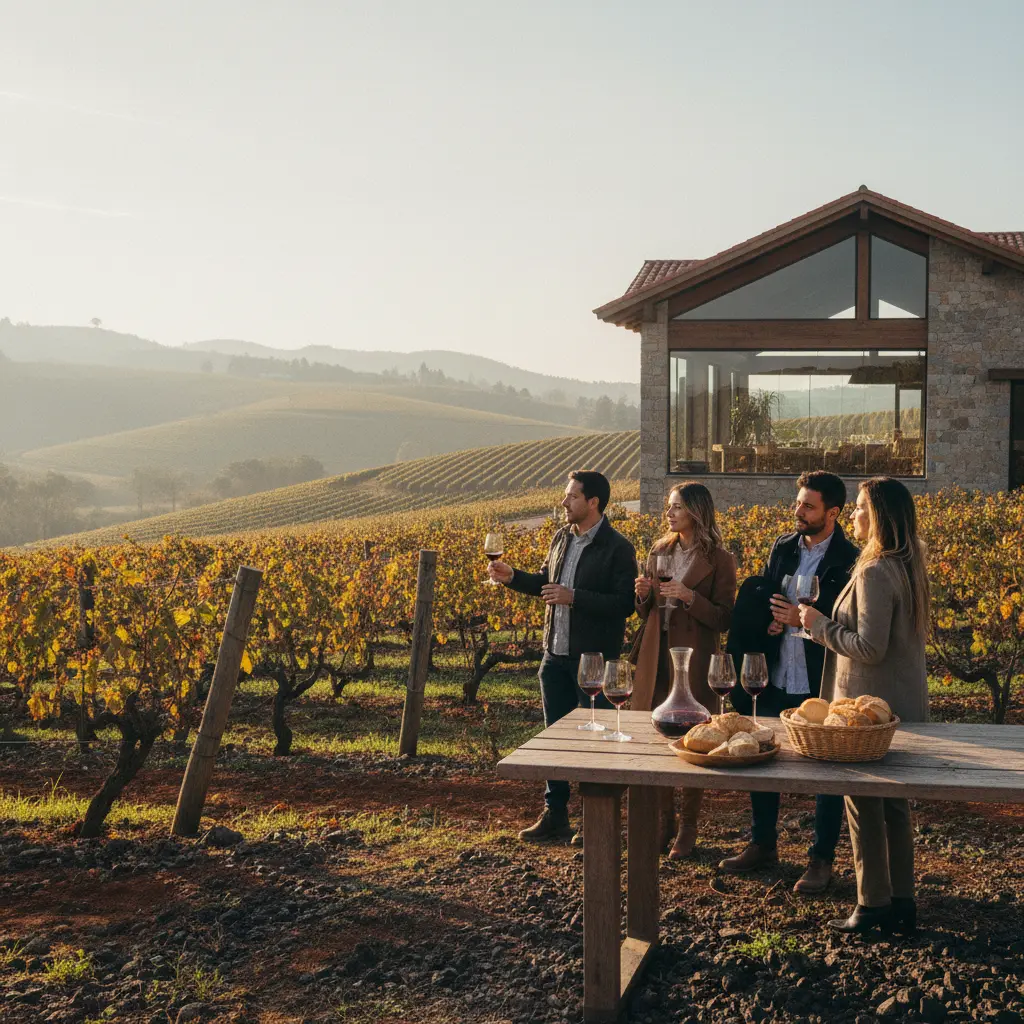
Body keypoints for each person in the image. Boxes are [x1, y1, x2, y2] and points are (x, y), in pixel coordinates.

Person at [798, 477, 929, 934]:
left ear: (878, 517)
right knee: (893, 805)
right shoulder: (907, 565)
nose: (852, 514)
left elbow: (869, 648)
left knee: (864, 803)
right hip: (899, 704)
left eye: (858, 508)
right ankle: (901, 901)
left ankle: (872, 904)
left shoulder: (875, 571)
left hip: (868, 710)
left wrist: (819, 625)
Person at [720, 470, 859, 894]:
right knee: (764, 753)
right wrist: (773, 622)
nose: (798, 511)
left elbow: (846, 620)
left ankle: (821, 859)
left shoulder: (849, 559)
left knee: (828, 768)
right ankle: (763, 843)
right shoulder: (782, 548)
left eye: (808, 506)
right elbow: (771, 604)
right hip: (778, 669)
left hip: (820, 674)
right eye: (798, 502)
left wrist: (803, 622)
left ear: (832, 513)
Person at [488, 470, 637, 843]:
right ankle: (556, 815)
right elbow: (546, 583)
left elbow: (625, 605)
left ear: (593, 503)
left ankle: (596, 820)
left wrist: (576, 597)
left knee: (597, 743)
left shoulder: (618, 547)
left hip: (592, 664)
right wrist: (512, 577)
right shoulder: (560, 538)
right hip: (554, 656)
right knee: (555, 739)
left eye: (571, 496)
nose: (564, 502)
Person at [632, 482, 736, 858]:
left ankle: (689, 825)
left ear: (696, 511)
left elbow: (725, 618)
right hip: (657, 657)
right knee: (659, 737)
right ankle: (665, 822)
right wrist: (643, 594)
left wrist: (690, 597)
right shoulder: (659, 551)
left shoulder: (720, 559)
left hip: (695, 659)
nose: (669, 513)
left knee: (695, 738)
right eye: (669, 507)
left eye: (676, 507)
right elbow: (646, 612)